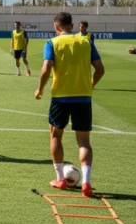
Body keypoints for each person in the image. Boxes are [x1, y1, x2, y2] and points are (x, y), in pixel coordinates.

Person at [35, 12, 105, 198]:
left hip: (60, 97)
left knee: (56, 135)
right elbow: (100, 69)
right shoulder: (86, 42)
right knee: (84, 141)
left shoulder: (52, 43)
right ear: (72, 26)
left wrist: (40, 89)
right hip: (83, 97)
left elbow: (46, 69)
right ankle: (87, 183)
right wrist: (90, 85)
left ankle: (60, 179)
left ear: (57, 26)